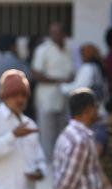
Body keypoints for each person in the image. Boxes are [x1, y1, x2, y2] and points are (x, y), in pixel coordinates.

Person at [31, 22, 74, 161]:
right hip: (47, 101)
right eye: (53, 33)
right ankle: (47, 171)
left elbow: (72, 72)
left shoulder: (69, 49)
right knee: (47, 139)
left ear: (64, 34)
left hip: (64, 100)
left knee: (62, 138)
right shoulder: (43, 50)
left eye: (58, 33)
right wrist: (59, 80)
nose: (55, 36)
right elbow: (35, 74)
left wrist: (70, 79)